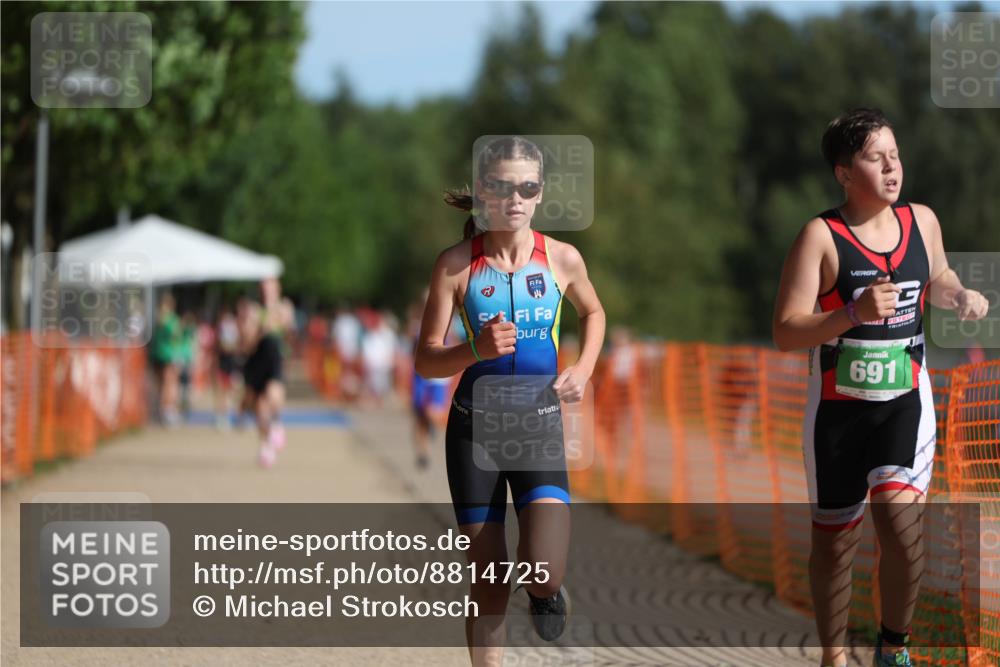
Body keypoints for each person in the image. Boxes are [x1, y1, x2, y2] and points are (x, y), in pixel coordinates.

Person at [772, 109, 989, 667]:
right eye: (876, 158)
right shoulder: (821, 236)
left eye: (895, 155)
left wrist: (959, 295)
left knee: (900, 525)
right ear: (845, 173)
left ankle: (893, 648)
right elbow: (786, 331)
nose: (892, 167)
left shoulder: (923, 221)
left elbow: (936, 275)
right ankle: (834, 655)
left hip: (904, 403)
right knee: (835, 543)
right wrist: (851, 314)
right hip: (836, 411)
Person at [415, 136, 605, 665]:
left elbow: (594, 313)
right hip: (474, 431)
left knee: (543, 569)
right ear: (483, 191)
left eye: (527, 187)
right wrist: (474, 349)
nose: (515, 198)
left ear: (540, 193)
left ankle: (545, 593)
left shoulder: (562, 258)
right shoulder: (455, 266)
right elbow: (426, 360)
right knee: (490, 576)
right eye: (502, 187)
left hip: (539, 427)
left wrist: (583, 369)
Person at [239, 280, 294, 468]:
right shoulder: (254, 311)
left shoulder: (284, 308)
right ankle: (265, 445)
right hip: (257, 361)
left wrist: (277, 319)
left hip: (274, 361)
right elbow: (247, 343)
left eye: (270, 288)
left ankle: (277, 425)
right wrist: (259, 329)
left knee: (273, 395)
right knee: (260, 409)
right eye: (263, 289)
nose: (266, 292)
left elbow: (288, 331)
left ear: (277, 289)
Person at [407, 289, 452, 469]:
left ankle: (431, 426)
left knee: (432, 413)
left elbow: (452, 345)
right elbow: (413, 353)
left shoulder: (446, 321)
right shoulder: (416, 326)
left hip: (438, 377)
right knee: (419, 416)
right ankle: (423, 453)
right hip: (421, 376)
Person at [149, 292, 182, 427]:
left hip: (160, 355)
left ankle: (161, 410)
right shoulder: (170, 320)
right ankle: (166, 410)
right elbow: (176, 338)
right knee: (168, 383)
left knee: (162, 384)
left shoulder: (159, 319)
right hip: (166, 355)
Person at [214, 307, 241, 431]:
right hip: (224, 365)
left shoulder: (234, 328)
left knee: (233, 391)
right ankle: (222, 416)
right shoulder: (223, 328)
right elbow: (223, 347)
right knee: (223, 391)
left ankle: (233, 416)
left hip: (232, 365)